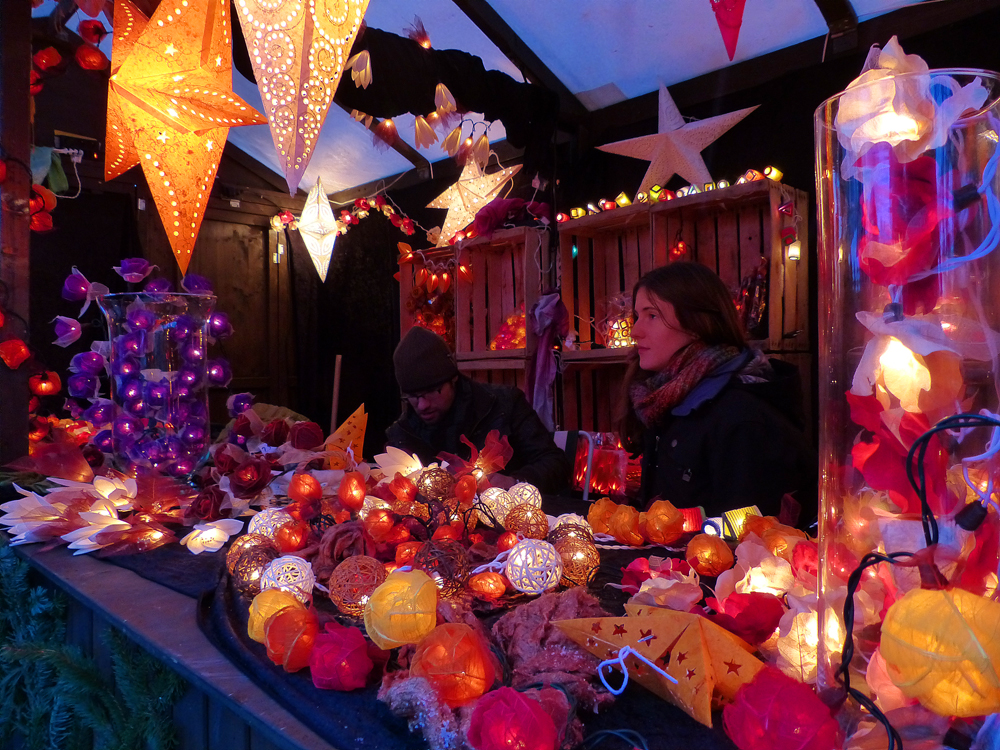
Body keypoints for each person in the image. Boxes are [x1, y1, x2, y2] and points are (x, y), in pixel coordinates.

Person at [615, 262, 816, 524]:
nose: (635, 331)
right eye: (637, 316)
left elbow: (750, 537)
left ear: (696, 324)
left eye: (652, 316)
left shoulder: (741, 419)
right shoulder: (665, 399)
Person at [386, 326, 570, 494]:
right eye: (413, 396)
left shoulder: (505, 404)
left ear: (453, 379)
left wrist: (514, 482)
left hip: (508, 522)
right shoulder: (403, 434)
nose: (422, 405)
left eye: (432, 392)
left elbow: (555, 464)